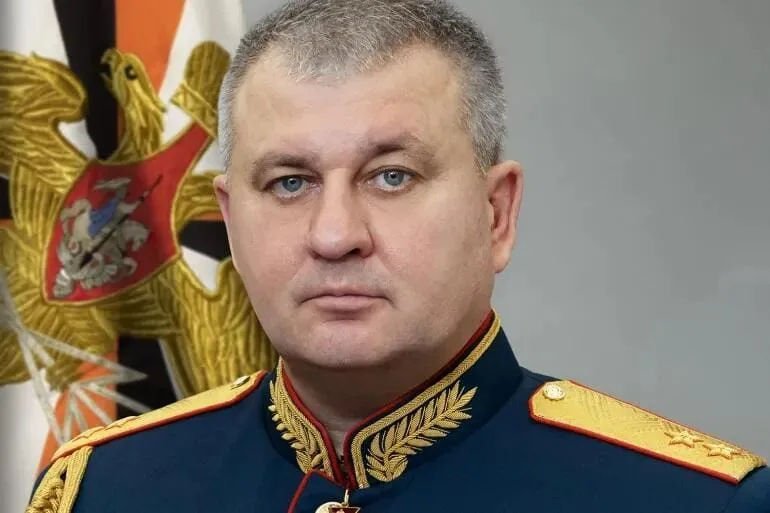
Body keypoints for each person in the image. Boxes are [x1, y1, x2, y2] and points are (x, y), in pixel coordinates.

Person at [26, 1, 770, 512]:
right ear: (229, 224)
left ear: (497, 213)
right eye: (290, 182)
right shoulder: (104, 489)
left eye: (392, 176)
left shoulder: (694, 500)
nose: (334, 234)